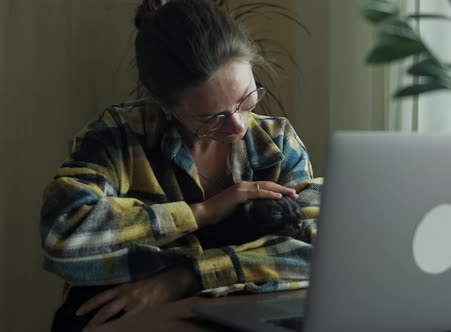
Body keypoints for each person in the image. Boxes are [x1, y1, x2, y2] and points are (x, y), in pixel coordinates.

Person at [40, 0, 322, 330]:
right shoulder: (117, 137)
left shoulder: (275, 142)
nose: (238, 126)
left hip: (238, 311)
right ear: (164, 103)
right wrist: (203, 212)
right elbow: (65, 234)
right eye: (212, 117)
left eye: (246, 99)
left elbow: (318, 251)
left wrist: (184, 277)